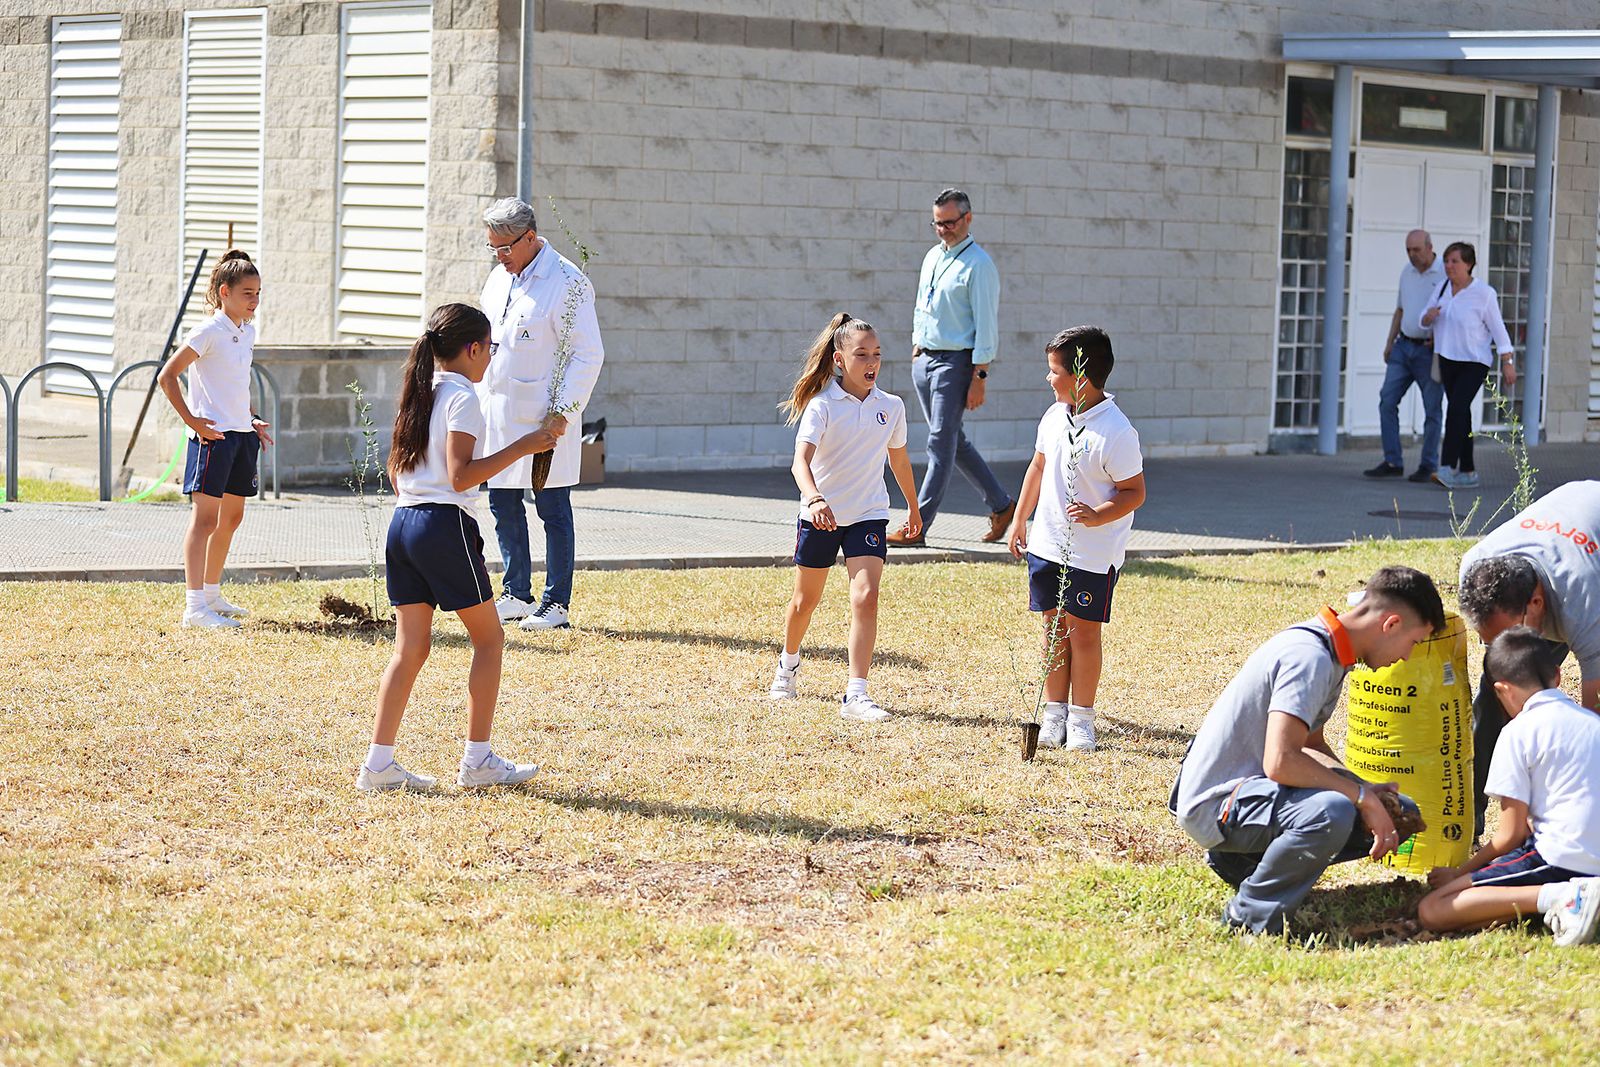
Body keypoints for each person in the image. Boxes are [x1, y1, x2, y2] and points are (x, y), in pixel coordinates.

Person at [1170, 566, 1445, 935]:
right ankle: (1248, 917)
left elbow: (1310, 744)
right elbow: (1281, 761)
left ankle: (1245, 865)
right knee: (1331, 811)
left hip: (1249, 794)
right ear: (1391, 624)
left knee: (1400, 811)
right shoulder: (1310, 657)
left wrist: (1365, 790)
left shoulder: (1331, 651)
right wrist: (1360, 796)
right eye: (1414, 643)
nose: (1407, 658)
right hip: (1216, 804)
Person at [356, 303, 562, 793]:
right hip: (443, 526)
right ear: (472, 349)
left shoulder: (419, 391)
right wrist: (527, 445)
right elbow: (461, 476)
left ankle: (378, 765)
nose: (490, 358)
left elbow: (395, 468)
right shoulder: (463, 397)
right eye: (489, 348)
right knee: (490, 640)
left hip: (403, 523)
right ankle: (478, 760)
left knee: (410, 649)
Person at [768, 313, 921, 722]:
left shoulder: (891, 406)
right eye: (861, 354)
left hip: (869, 514)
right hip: (820, 516)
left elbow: (899, 458)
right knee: (805, 602)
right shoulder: (822, 406)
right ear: (839, 358)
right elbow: (800, 462)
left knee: (866, 597)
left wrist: (913, 504)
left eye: (877, 354)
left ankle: (856, 695)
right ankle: (787, 665)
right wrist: (814, 498)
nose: (871, 362)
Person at [1006, 326, 1145, 753]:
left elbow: (1134, 492)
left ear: (1080, 375)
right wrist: (1019, 520)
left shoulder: (1117, 432)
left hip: (1093, 554)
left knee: (1083, 633)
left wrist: (1098, 515)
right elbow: (1037, 466)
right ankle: (1054, 715)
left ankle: (1082, 719)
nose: (1048, 379)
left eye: (1054, 371)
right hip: (1048, 547)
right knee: (1052, 630)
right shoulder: (1053, 418)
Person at [1417, 626, 1600, 945]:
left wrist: (1459, 873)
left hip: (1563, 861)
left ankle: (1562, 896)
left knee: (1434, 909)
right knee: (1486, 911)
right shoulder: (1592, 722)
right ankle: (1565, 900)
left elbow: (1512, 835)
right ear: (1557, 676)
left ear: (1501, 689)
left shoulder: (1518, 732)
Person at [477, 197, 604, 631]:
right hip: (498, 413)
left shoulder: (568, 283)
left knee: (551, 506)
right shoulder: (498, 279)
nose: (500, 256)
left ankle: (555, 603)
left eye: (506, 247)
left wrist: (562, 412)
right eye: (493, 248)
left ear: (530, 237)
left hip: (543, 418)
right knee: (502, 502)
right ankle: (515, 592)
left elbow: (587, 356)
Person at [1457, 480, 1600, 834]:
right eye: (1493, 640)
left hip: (1584, 572)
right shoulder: (1475, 566)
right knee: (1490, 703)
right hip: (1569, 516)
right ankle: (1469, 816)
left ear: (1537, 605)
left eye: (1510, 635)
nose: (1503, 649)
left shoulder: (1582, 603)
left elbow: (1590, 721)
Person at [886, 188, 1014, 548]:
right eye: (937, 223)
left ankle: (917, 525)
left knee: (939, 443)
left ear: (968, 219)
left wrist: (980, 376)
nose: (943, 229)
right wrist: (916, 347)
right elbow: (922, 305)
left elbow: (987, 327)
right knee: (952, 440)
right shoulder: (932, 257)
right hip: (925, 360)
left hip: (955, 363)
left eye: (950, 223)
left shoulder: (979, 266)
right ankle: (1002, 505)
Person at [157, 250, 274, 629]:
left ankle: (211, 594)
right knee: (204, 521)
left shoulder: (247, 330)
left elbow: (235, 384)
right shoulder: (207, 331)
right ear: (224, 292)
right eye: (247, 293)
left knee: (233, 517)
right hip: (213, 439)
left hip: (242, 436)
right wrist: (192, 420)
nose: (254, 301)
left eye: (257, 293)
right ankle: (194, 608)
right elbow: (167, 376)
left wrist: (251, 418)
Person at [1420, 241, 1515, 490]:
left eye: (1455, 261)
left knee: (1456, 409)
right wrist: (1427, 318)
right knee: (1462, 414)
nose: (1449, 266)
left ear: (1469, 264)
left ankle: (1447, 467)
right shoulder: (1441, 288)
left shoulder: (1484, 294)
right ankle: (1469, 471)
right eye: (1447, 261)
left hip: (1474, 362)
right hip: (1447, 358)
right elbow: (1423, 318)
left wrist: (1508, 362)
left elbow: (1499, 331)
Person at [1364, 229, 1445, 483]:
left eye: (1416, 250)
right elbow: (1400, 309)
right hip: (1403, 347)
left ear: (1430, 247)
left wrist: (1442, 338)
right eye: (1408, 250)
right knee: (1387, 400)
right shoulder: (1406, 273)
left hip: (1429, 351)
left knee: (1431, 410)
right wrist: (1390, 342)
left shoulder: (1445, 273)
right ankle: (1392, 461)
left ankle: (1428, 464)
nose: (1411, 255)